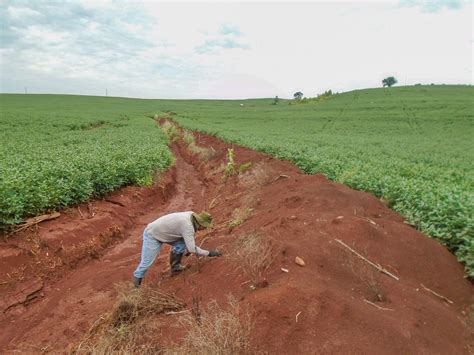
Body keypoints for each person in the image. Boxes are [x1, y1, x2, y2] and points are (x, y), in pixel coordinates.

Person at [132, 211, 221, 287]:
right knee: (146, 263)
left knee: (181, 245)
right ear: (200, 223)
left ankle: (175, 267)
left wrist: (188, 247)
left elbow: (188, 241)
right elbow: (192, 249)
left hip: (166, 232)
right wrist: (209, 253)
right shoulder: (188, 226)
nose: (204, 229)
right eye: (205, 226)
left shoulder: (191, 215)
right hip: (153, 234)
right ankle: (135, 287)